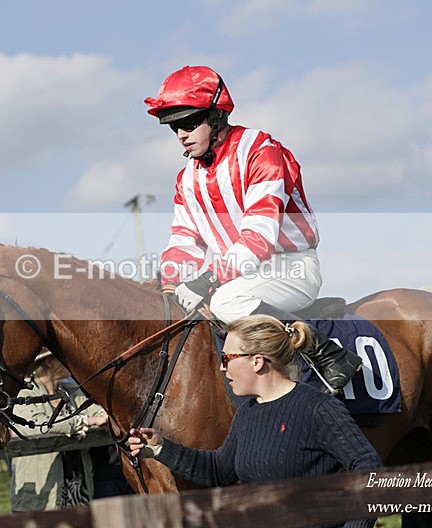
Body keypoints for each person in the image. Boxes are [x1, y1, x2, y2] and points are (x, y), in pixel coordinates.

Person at [145, 65, 361, 395]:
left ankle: (326, 353)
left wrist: (208, 280)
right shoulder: (186, 178)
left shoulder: (261, 151)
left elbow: (259, 237)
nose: (181, 135)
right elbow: (184, 240)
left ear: (216, 116)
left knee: (226, 301)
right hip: (237, 275)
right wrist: (167, 283)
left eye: (189, 123)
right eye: (174, 127)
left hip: (289, 267)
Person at [127, 315, 382, 528]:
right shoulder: (247, 412)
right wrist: (161, 448)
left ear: (257, 361)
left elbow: (369, 469)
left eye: (227, 358)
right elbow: (219, 470)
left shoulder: (319, 408)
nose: (222, 368)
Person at [10, 351, 109, 512]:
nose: (71, 361)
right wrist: (86, 421)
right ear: (48, 361)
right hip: (41, 498)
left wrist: (104, 415)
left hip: (78, 492)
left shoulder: (70, 389)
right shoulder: (24, 393)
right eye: (64, 356)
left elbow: (91, 409)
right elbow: (40, 425)